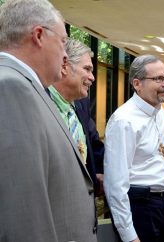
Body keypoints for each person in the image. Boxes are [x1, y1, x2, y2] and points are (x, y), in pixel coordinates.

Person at [0, 1, 97, 241]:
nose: (65, 55)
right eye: (63, 42)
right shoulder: (11, 87)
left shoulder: (28, 86)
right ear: (39, 35)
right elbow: (22, 207)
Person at [104, 55, 164, 242]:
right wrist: (128, 234)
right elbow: (115, 183)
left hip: (162, 203)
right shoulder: (124, 121)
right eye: (158, 79)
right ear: (137, 84)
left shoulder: (159, 111)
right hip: (139, 207)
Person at [48, 38, 104, 195]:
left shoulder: (82, 104)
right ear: (65, 66)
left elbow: (94, 145)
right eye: (87, 69)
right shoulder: (40, 101)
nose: (92, 77)